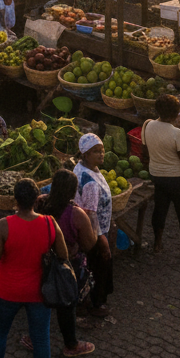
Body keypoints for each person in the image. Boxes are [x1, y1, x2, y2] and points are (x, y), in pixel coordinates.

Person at [0, 177, 68, 358]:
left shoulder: (4, 225)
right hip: (39, 293)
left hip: (7, 290)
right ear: (37, 199)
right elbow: (64, 255)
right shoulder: (49, 223)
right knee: (41, 340)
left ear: (15, 200)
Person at [36, 170, 97, 358]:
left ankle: (34, 338)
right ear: (73, 192)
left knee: (40, 300)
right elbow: (89, 244)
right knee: (66, 304)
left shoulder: (39, 203)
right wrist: (93, 221)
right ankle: (71, 345)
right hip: (66, 266)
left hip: (42, 261)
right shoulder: (76, 215)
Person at [141, 94, 180, 263]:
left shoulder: (147, 125)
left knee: (160, 210)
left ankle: (157, 245)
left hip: (157, 176)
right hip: (178, 180)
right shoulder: (176, 133)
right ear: (177, 113)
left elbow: (145, 153)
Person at [74, 133, 113, 317]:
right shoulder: (88, 180)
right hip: (94, 232)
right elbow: (91, 214)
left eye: (102, 150)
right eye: (95, 151)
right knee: (98, 266)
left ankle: (89, 301)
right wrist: (101, 239)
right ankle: (96, 304)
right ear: (85, 154)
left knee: (91, 266)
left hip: (92, 230)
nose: (101, 154)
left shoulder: (85, 169)